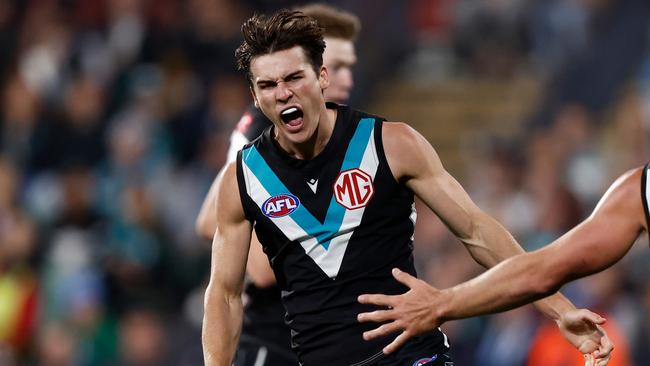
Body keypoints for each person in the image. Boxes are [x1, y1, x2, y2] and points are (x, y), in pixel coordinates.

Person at [202, 9, 612, 366]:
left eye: (295, 77)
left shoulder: (390, 144)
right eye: (269, 85)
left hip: (411, 356)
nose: (284, 92)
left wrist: (558, 310)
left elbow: (477, 231)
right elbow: (223, 294)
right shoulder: (244, 178)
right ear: (255, 96)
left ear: (322, 76)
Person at [195, 4, 360, 365]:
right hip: (278, 336)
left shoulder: (337, 131)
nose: (345, 79)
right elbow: (213, 220)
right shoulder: (264, 129)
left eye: (350, 66)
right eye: (338, 64)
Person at [358, 164, 647, 366]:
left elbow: (543, 271)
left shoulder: (639, 191)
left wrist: (440, 303)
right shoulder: (640, 191)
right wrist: (561, 311)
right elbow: (542, 271)